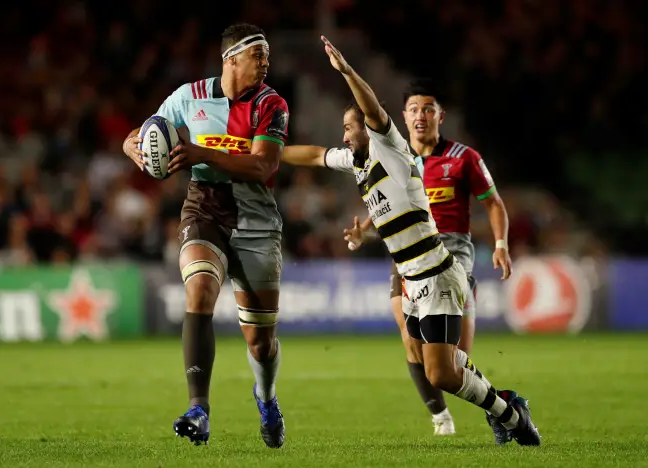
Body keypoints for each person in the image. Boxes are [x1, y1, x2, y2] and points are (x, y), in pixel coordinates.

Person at [281, 35, 540, 446]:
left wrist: (347, 71)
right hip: (412, 276)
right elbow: (313, 155)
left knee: (444, 371)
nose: (344, 137)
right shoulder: (358, 161)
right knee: (430, 361)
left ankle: (508, 411)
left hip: (438, 270)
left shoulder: (392, 148)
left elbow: (371, 109)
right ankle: (501, 410)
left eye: (350, 128)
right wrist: (266, 151)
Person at [122, 23, 289, 448]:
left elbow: (262, 167)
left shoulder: (272, 104)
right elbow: (138, 135)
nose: (266, 63)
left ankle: (266, 398)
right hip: (204, 209)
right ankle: (199, 408)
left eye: (267, 56)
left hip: (257, 222)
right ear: (231, 58)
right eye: (258, 56)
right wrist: (137, 150)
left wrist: (198, 152)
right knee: (198, 289)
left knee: (261, 341)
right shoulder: (188, 96)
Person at [340, 78, 513, 436]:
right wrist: (365, 231)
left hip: (452, 250)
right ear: (404, 116)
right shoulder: (391, 156)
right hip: (406, 251)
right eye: (415, 109)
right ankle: (440, 416)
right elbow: (385, 207)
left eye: (428, 109)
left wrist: (500, 244)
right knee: (408, 333)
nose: (421, 115)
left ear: (440, 115)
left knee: (455, 356)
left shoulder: (465, 158)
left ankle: (501, 407)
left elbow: (493, 202)